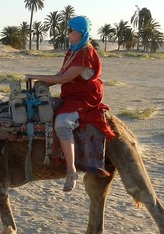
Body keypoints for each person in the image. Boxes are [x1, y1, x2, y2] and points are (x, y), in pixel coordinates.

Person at [26, 15, 113, 192]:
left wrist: (36, 77)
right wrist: (39, 85)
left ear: (80, 33)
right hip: (71, 94)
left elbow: (64, 78)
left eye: (70, 30)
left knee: (62, 124)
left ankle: (71, 171)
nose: (67, 34)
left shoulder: (85, 54)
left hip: (84, 97)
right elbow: (60, 75)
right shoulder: (73, 51)